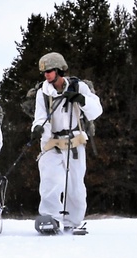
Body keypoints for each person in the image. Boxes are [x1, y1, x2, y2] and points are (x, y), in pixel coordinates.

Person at [30, 52, 103, 234]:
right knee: (50, 180)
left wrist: (81, 99)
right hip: (52, 140)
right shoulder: (42, 93)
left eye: (50, 71)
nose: (47, 75)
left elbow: (96, 111)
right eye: (44, 72)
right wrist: (38, 128)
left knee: (75, 183)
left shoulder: (80, 87)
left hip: (74, 140)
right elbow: (40, 116)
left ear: (60, 70)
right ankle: (50, 217)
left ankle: (74, 220)